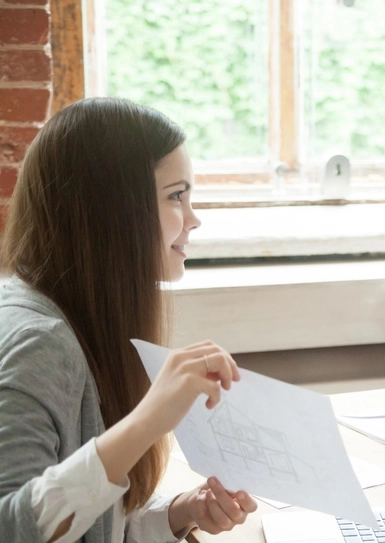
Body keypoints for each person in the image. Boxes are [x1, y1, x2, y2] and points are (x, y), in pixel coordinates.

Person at [0, 98, 258, 542]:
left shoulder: (79, 321)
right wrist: (149, 419)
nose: (194, 220)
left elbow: (91, 526)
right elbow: (13, 529)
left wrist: (180, 513)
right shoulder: (38, 344)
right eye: (176, 195)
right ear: (113, 210)